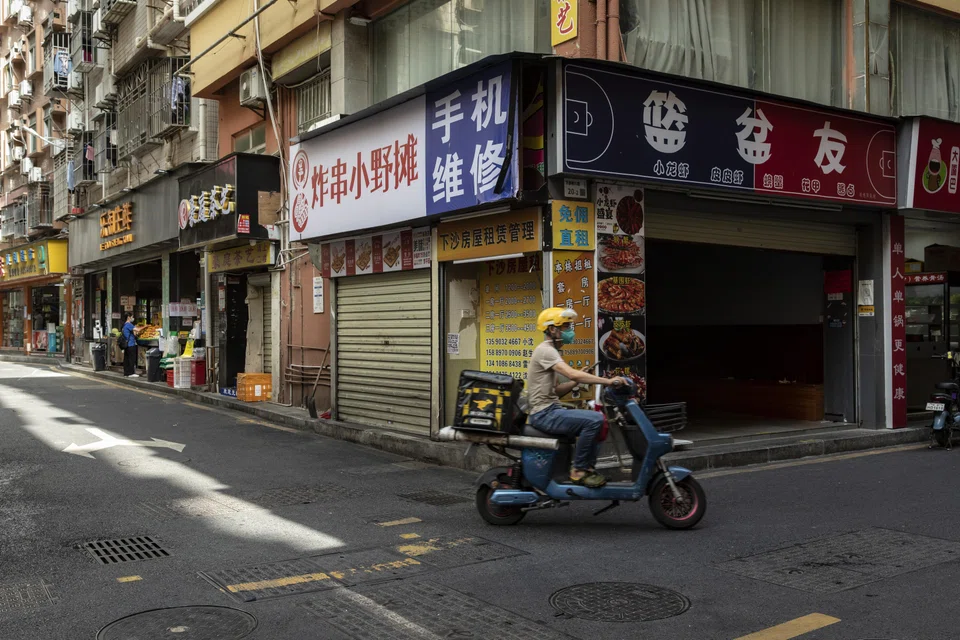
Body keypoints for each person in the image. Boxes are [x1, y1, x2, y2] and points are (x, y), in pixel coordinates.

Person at [527, 307, 626, 488]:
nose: (569, 331)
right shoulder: (546, 350)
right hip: (544, 413)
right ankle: (579, 469)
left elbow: (555, 390)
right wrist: (608, 381)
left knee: (598, 420)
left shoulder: (551, 351)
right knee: (595, 420)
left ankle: (587, 469)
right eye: (565, 327)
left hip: (550, 409)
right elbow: (572, 374)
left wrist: (576, 382)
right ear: (552, 329)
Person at [121, 313, 141, 378]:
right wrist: (145, 326)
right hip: (131, 344)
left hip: (126, 345)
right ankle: (131, 373)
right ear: (128, 317)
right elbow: (137, 330)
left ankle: (126, 373)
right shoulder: (129, 325)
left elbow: (134, 333)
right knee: (131, 359)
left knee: (126, 359)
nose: (133, 318)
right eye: (132, 317)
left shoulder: (124, 325)